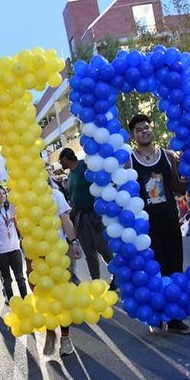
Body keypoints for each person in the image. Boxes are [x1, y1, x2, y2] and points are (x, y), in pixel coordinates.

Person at [127, 114, 190, 334]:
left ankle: (174, 318)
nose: (144, 131)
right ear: (133, 135)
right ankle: (156, 314)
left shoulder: (166, 156)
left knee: (175, 268)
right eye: (139, 129)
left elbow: (176, 186)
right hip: (145, 227)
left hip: (169, 221)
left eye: (146, 127)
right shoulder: (128, 160)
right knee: (155, 270)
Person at [58, 148, 114, 282]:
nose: (61, 165)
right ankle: (96, 280)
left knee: (103, 249)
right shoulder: (70, 175)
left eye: (61, 161)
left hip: (94, 215)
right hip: (80, 217)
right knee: (89, 253)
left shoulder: (85, 166)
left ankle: (116, 275)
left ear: (66, 158)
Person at [40, 181, 82, 357]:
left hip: (58, 252)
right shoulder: (20, 197)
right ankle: (50, 330)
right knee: (44, 296)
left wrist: (74, 242)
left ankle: (65, 339)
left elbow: (66, 220)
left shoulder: (55, 195)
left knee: (61, 295)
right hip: (37, 256)